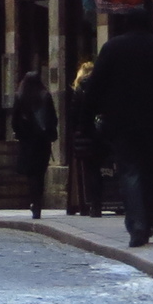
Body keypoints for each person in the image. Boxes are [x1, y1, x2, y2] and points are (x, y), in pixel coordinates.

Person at [76, 6, 153, 247]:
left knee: (130, 172)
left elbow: (95, 88)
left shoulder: (112, 48)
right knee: (151, 172)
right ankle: (148, 220)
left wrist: (85, 122)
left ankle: (138, 224)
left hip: (121, 122)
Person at [11, 68, 58, 219]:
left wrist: (20, 133)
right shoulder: (45, 96)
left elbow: (14, 120)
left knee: (31, 174)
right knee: (40, 172)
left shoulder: (20, 96)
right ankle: (38, 203)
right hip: (42, 141)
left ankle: (34, 202)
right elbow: (53, 118)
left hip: (27, 141)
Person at [65, 59, 104, 216]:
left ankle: (87, 204)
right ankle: (97, 203)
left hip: (85, 135)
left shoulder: (80, 89)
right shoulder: (101, 87)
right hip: (101, 134)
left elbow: (74, 114)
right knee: (100, 170)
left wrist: (77, 131)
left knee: (88, 170)